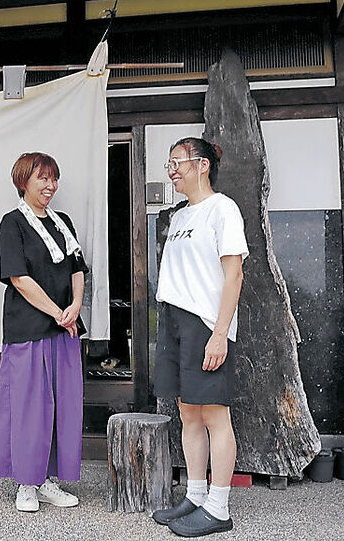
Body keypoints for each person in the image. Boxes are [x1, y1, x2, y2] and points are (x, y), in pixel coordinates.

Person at [151, 137, 248, 538]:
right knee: (187, 412)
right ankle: (195, 495)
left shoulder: (222, 210)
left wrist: (220, 334)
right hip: (173, 319)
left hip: (205, 324)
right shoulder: (178, 217)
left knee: (213, 414)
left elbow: (234, 275)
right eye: (169, 163)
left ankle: (219, 507)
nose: (171, 171)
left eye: (178, 162)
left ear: (202, 164)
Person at [0, 151, 89, 513]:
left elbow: (78, 267)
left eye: (53, 178)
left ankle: (48, 481)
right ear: (23, 181)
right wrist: (58, 312)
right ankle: (26, 484)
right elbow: (19, 278)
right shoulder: (11, 224)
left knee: (61, 406)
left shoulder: (63, 222)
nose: (50, 186)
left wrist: (75, 305)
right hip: (29, 329)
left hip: (64, 328)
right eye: (42, 178)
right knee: (30, 408)